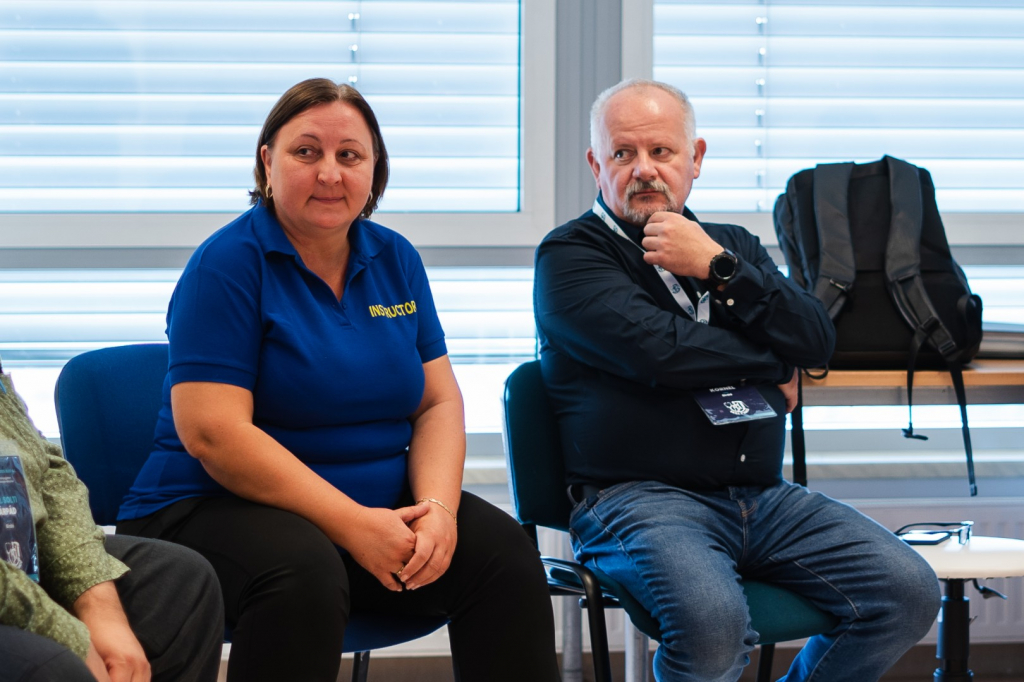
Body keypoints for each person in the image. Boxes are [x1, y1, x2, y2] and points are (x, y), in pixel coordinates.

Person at [116, 78, 559, 682]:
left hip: (365, 515)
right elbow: (214, 435)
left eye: (349, 155)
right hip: (208, 509)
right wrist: (353, 525)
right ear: (267, 161)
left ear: (374, 171)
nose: (329, 173)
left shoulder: (395, 258)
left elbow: (436, 402)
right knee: (302, 570)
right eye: (306, 152)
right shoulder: (225, 265)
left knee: (503, 556)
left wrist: (437, 510)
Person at [533, 78, 940, 681]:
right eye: (623, 153)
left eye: (661, 151)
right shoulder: (570, 256)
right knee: (713, 624)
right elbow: (662, 353)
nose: (643, 169)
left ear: (694, 158)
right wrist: (775, 361)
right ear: (597, 166)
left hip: (762, 498)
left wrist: (720, 268)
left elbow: (817, 340)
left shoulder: (732, 246)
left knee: (907, 591)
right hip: (637, 498)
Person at [0, 360, 223, 682]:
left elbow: (43, 467)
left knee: (179, 581)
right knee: (51, 665)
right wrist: (71, 637)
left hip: (15, 551)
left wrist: (99, 607)